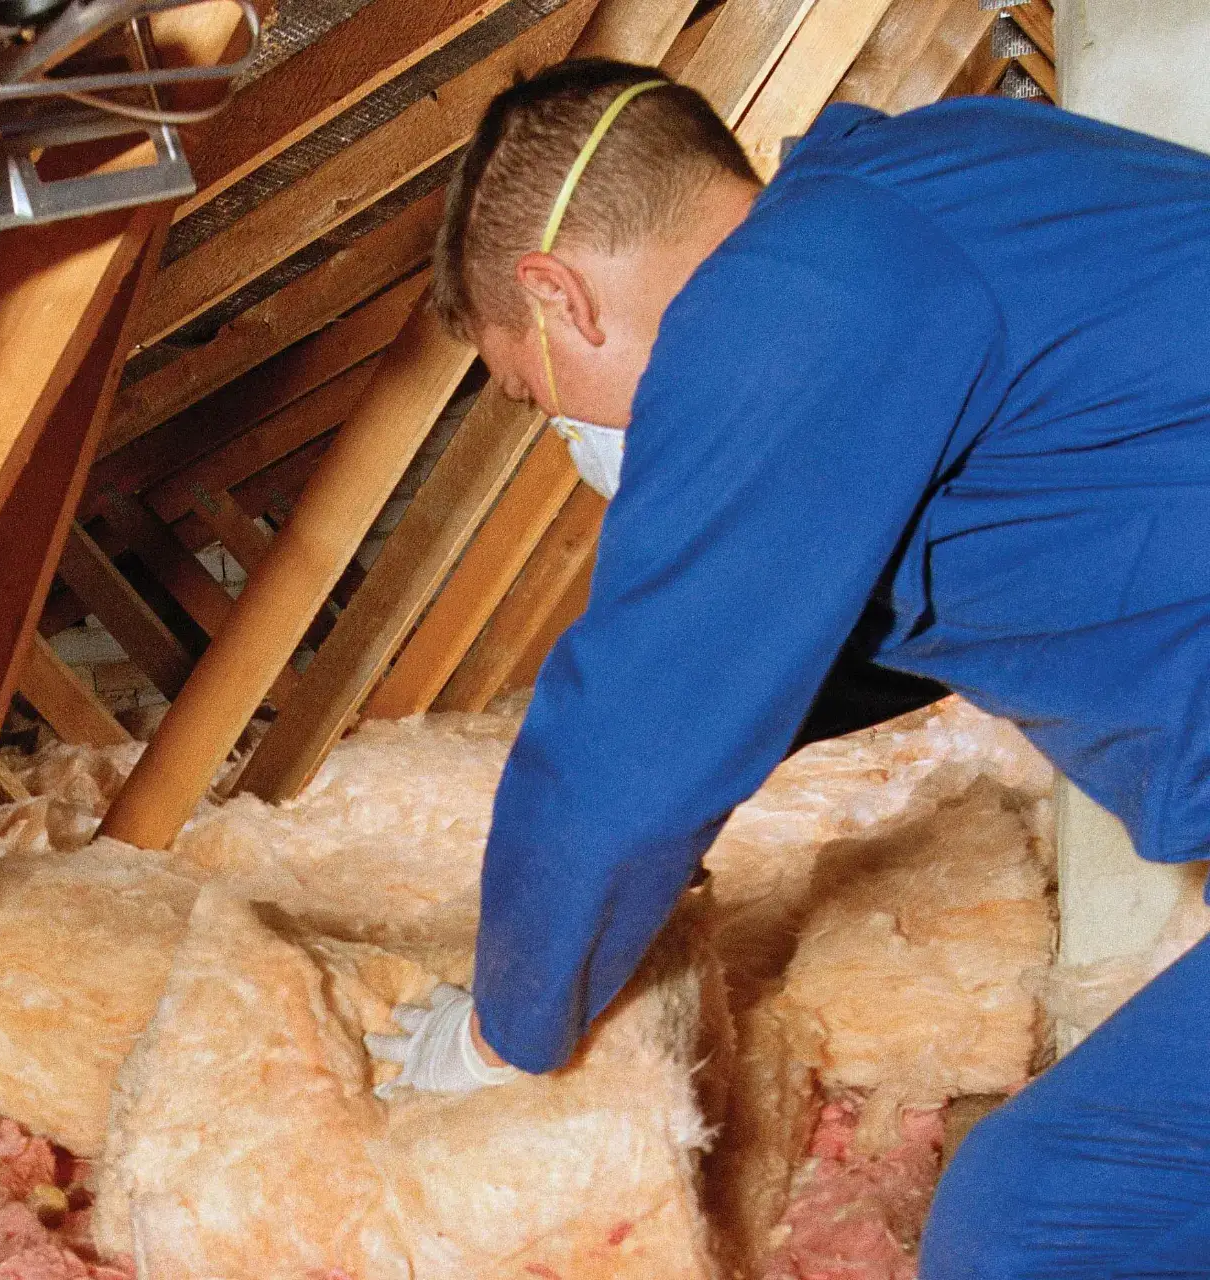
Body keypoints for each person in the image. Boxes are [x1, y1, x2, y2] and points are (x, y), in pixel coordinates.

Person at [366, 58, 1210, 1276]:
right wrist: (658, 836)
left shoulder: (790, 296)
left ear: (559, 294)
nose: (564, 436)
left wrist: (508, 1029)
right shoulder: (924, 193)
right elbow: (908, 600)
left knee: (1041, 1223)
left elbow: (634, 726)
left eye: (533, 392)